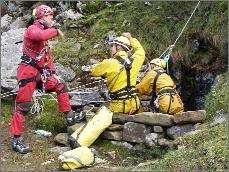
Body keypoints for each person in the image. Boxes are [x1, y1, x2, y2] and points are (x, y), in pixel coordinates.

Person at [9, 5, 83, 154]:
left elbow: (46, 56)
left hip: (41, 74)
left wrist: (53, 72)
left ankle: (69, 116)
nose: (52, 19)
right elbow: (40, 37)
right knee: (23, 106)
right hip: (27, 72)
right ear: (42, 17)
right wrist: (56, 31)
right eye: (50, 16)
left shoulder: (43, 32)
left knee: (60, 86)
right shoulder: (32, 29)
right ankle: (16, 140)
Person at [91, 32, 145, 114]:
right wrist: (130, 38)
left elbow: (94, 71)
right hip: (134, 105)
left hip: (118, 107)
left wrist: (105, 74)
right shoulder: (135, 61)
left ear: (118, 47)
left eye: (113, 46)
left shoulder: (109, 63)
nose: (111, 48)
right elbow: (140, 51)